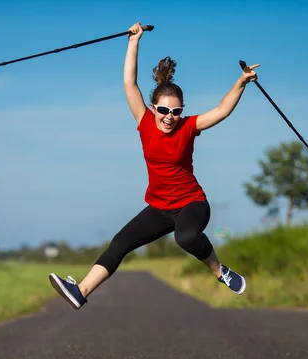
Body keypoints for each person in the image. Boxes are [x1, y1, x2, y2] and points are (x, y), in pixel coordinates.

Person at [49, 22, 259, 310]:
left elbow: (222, 110)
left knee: (185, 237)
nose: (169, 117)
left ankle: (219, 271)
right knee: (120, 242)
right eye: (163, 110)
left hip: (191, 204)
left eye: (175, 111)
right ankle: (81, 290)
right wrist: (134, 41)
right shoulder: (144, 122)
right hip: (159, 207)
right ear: (153, 108)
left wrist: (241, 82)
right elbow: (128, 83)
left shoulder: (188, 127)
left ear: (181, 112)